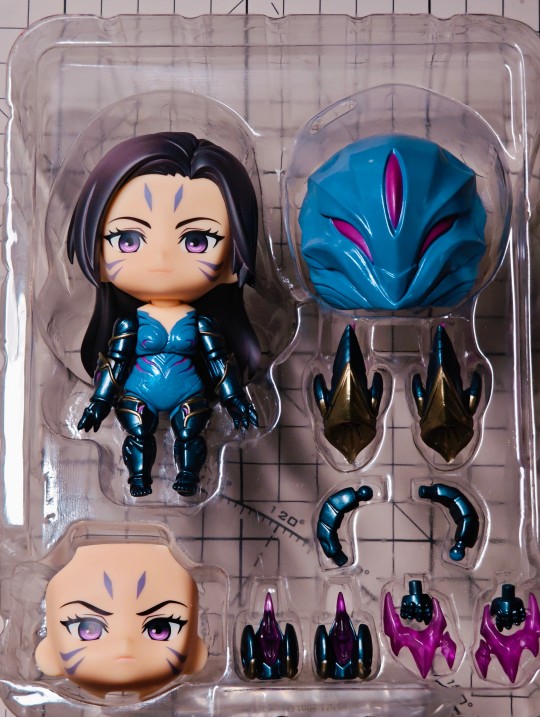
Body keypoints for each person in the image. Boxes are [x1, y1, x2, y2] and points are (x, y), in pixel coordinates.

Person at [68, 132, 260, 497]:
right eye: (128, 239)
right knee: (137, 430)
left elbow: (219, 365)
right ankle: (138, 477)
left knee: (190, 431)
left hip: (190, 393)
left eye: (196, 241)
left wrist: (235, 400)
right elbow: (115, 365)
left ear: (231, 264)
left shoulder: (201, 323)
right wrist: (99, 402)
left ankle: (187, 475)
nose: (160, 259)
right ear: (99, 256)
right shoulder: (130, 323)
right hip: (138, 393)